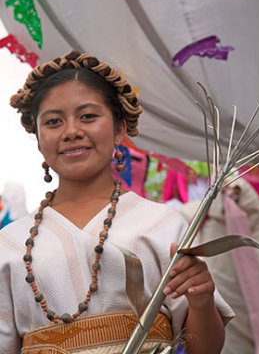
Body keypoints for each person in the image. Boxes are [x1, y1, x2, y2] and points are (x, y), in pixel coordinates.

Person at [0, 50, 234, 354]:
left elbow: (205, 350)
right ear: (39, 138)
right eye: (54, 121)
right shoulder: (11, 244)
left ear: (120, 128)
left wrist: (201, 299)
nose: (71, 131)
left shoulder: (161, 224)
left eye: (88, 116)